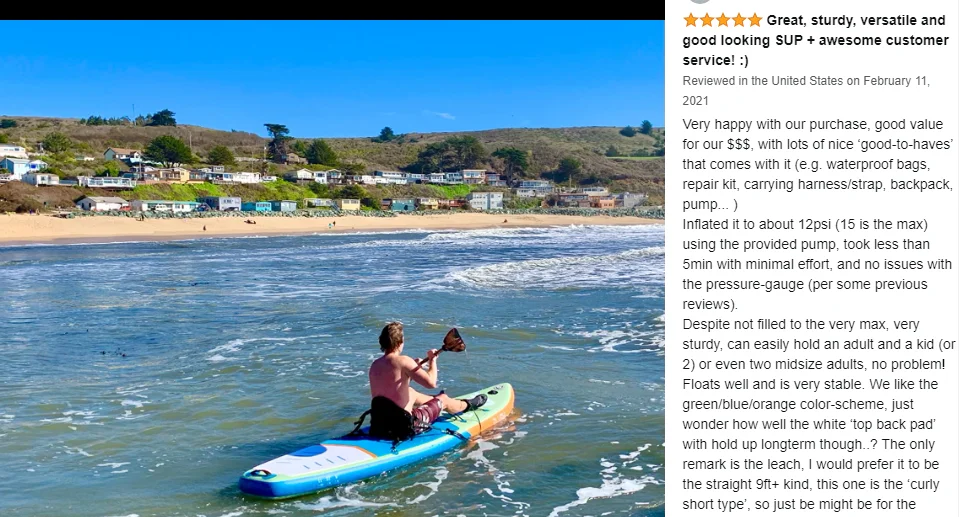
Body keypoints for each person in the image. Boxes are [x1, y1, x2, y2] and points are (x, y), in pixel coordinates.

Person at [367, 322, 486, 441]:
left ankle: (440, 401)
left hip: (379, 425)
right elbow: (431, 383)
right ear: (400, 342)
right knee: (443, 399)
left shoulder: (375, 365)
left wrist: (413, 370)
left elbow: (395, 386)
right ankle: (465, 405)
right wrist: (432, 360)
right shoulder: (404, 361)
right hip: (402, 428)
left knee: (410, 391)